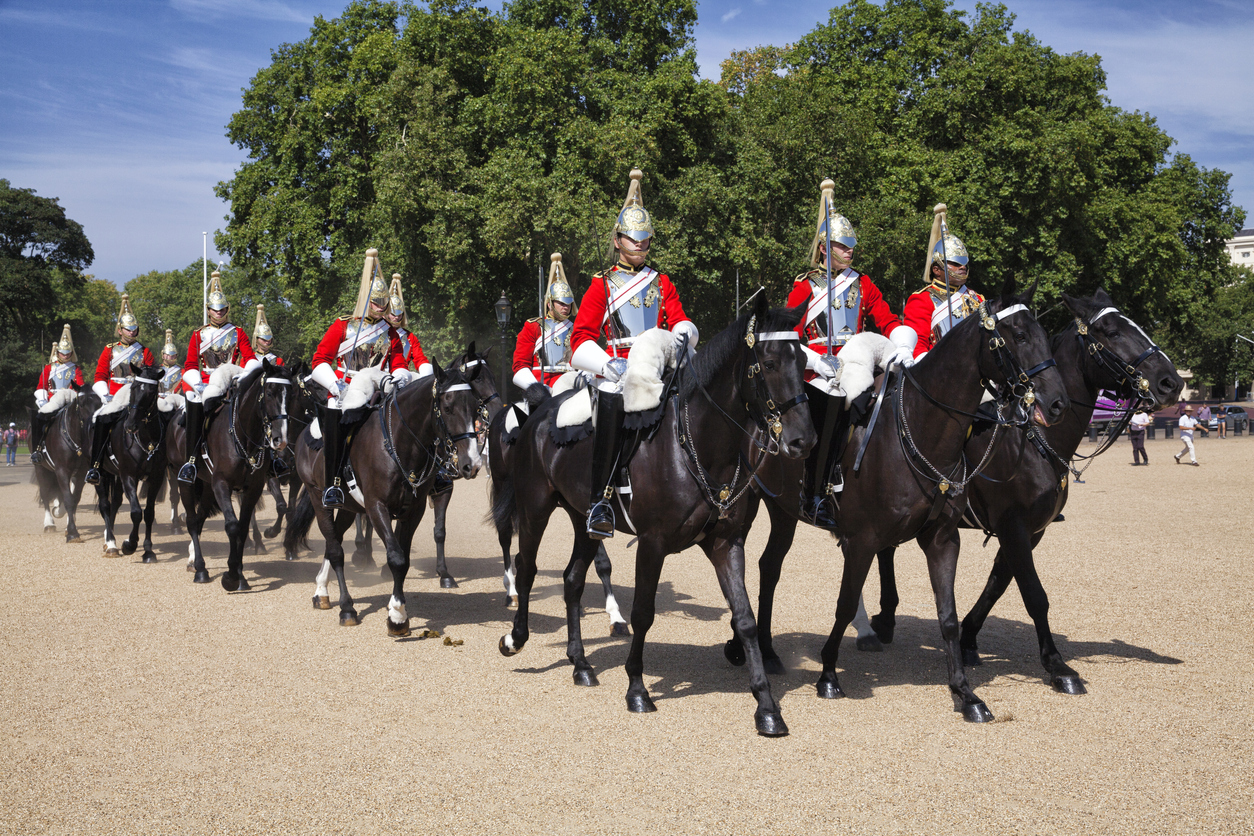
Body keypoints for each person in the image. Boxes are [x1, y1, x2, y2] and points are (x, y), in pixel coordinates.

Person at [570, 168, 699, 539]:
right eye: (633, 238)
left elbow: (680, 320)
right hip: (617, 370)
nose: (640, 245)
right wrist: (607, 364)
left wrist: (683, 332)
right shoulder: (601, 284)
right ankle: (600, 502)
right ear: (617, 239)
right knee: (611, 400)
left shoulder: (662, 282)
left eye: (645, 239)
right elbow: (579, 340)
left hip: (657, 366)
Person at [786, 178, 917, 527]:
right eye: (843, 246)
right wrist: (815, 361)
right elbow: (790, 337)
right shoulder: (805, 286)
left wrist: (903, 345)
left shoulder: (863, 283)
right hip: (817, 370)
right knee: (830, 407)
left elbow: (887, 319)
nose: (850, 251)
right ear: (826, 248)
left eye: (852, 245)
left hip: (859, 363)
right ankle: (814, 494)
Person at [309, 248, 410, 508]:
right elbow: (319, 360)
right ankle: (332, 485)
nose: (380, 307)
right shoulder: (343, 325)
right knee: (336, 424)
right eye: (376, 302)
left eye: (384, 303)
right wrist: (335, 385)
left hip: (380, 388)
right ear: (366, 298)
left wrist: (399, 377)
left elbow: (398, 363)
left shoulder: (390, 333)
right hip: (345, 389)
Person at [177, 270, 260, 483]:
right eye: (215, 310)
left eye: (223, 309)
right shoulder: (198, 334)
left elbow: (250, 358)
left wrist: (247, 375)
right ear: (208, 311)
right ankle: (192, 462)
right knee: (194, 406)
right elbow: (189, 365)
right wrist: (197, 384)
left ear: (227, 309)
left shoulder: (238, 332)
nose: (219, 313)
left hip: (233, 381)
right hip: (206, 383)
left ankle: (268, 460)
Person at [86, 295, 156, 484]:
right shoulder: (110, 350)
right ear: (119, 330)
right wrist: (105, 395)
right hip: (115, 396)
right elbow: (99, 376)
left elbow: (150, 376)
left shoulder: (145, 351)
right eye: (128, 329)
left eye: (134, 329)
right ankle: (96, 466)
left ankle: (161, 462)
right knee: (100, 420)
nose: (132, 333)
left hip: (138, 396)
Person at [903, 204, 984, 360]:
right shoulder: (922, 300)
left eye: (963, 263)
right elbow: (917, 345)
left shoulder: (977, 298)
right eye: (954, 263)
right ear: (936, 270)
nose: (962, 267)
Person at [514, 253, 578, 390]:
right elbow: (520, 365)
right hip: (543, 386)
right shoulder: (533, 327)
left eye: (568, 303)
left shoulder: (575, 328)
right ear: (549, 304)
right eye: (561, 303)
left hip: (571, 386)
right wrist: (537, 389)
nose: (565, 307)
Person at [31, 323, 86, 464]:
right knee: (39, 418)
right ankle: (37, 449)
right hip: (52, 400)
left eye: (68, 353)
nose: (65, 356)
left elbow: (79, 385)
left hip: (70, 399)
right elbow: (41, 386)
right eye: (62, 353)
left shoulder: (75, 369)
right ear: (57, 352)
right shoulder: (49, 368)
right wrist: (43, 400)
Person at [383, 275, 433, 377]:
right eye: (393, 314)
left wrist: (426, 372)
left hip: (401, 377)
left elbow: (419, 358)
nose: (396, 318)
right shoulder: (376, 330)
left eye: (399, 314)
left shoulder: (410, 337)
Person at [158, 329, 184, 396]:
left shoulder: (182, 371)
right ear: (163, 355)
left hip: (175, 399)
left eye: (173, 356)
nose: (170, 358)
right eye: (168, 355)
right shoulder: (156, 369)